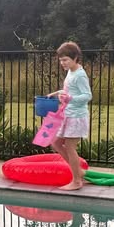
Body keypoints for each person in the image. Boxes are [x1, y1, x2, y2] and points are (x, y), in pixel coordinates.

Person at [47, 42, 92, 191]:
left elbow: (87, 95)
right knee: (55, 143)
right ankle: (78, 171)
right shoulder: (71, 72)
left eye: (65, 60)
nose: (62, 63)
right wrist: (57, 93)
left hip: (77, 116)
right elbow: (70, 90)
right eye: (61, 60)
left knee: (70, 147)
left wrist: (70, 98)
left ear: (75, 58)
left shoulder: (80, 75)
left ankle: (77, 181)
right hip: (68, 114)